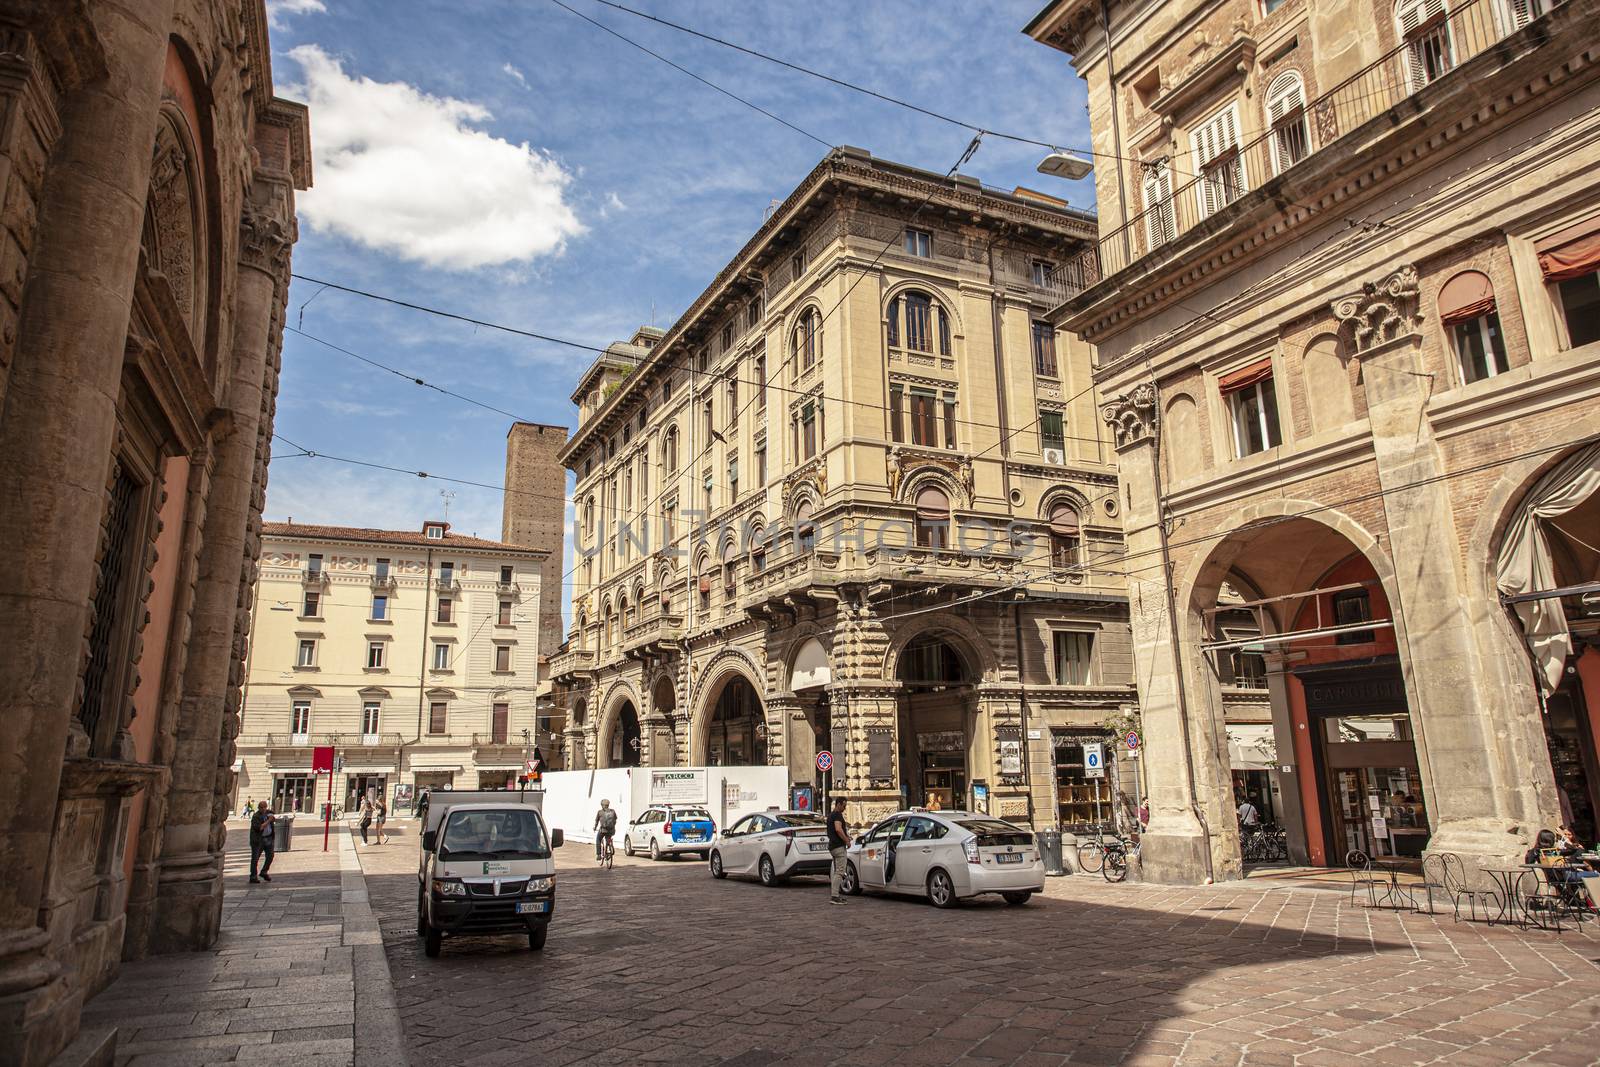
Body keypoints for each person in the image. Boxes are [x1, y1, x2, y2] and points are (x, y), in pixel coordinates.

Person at [827, 798, 851, 905]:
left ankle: (835, 894)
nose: (844, 808)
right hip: (838, 847)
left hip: (833, 846)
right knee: (840, 872)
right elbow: (838, 829)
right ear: (838, 804)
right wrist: (847, 840)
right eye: (844, 806)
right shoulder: (837, 815)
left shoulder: (831, 815)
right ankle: (835, 896)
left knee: (837, 871)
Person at [248, 802, 276, 883]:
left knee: (270, 856)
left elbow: (273, 814)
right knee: (255, 858)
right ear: (259, 808)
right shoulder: (256, 816)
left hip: (268, 838)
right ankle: (253, 876)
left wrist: (271, 815)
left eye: (265, 807)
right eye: (262, 808)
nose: (264, 809)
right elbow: (259, 828)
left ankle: (264, 871)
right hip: (258, 840)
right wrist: (268, 820)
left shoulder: (267, 813)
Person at [593, 799, 618, 865]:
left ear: (602, 805)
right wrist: (612, 826)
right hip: (611, 830)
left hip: (603, 830)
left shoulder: (600, 812)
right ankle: (610, 847)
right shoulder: (613, 811)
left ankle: (598, 854)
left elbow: (596, 821)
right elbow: (615, 819)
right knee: (608, 838)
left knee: (598, 839)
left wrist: (595, 828)